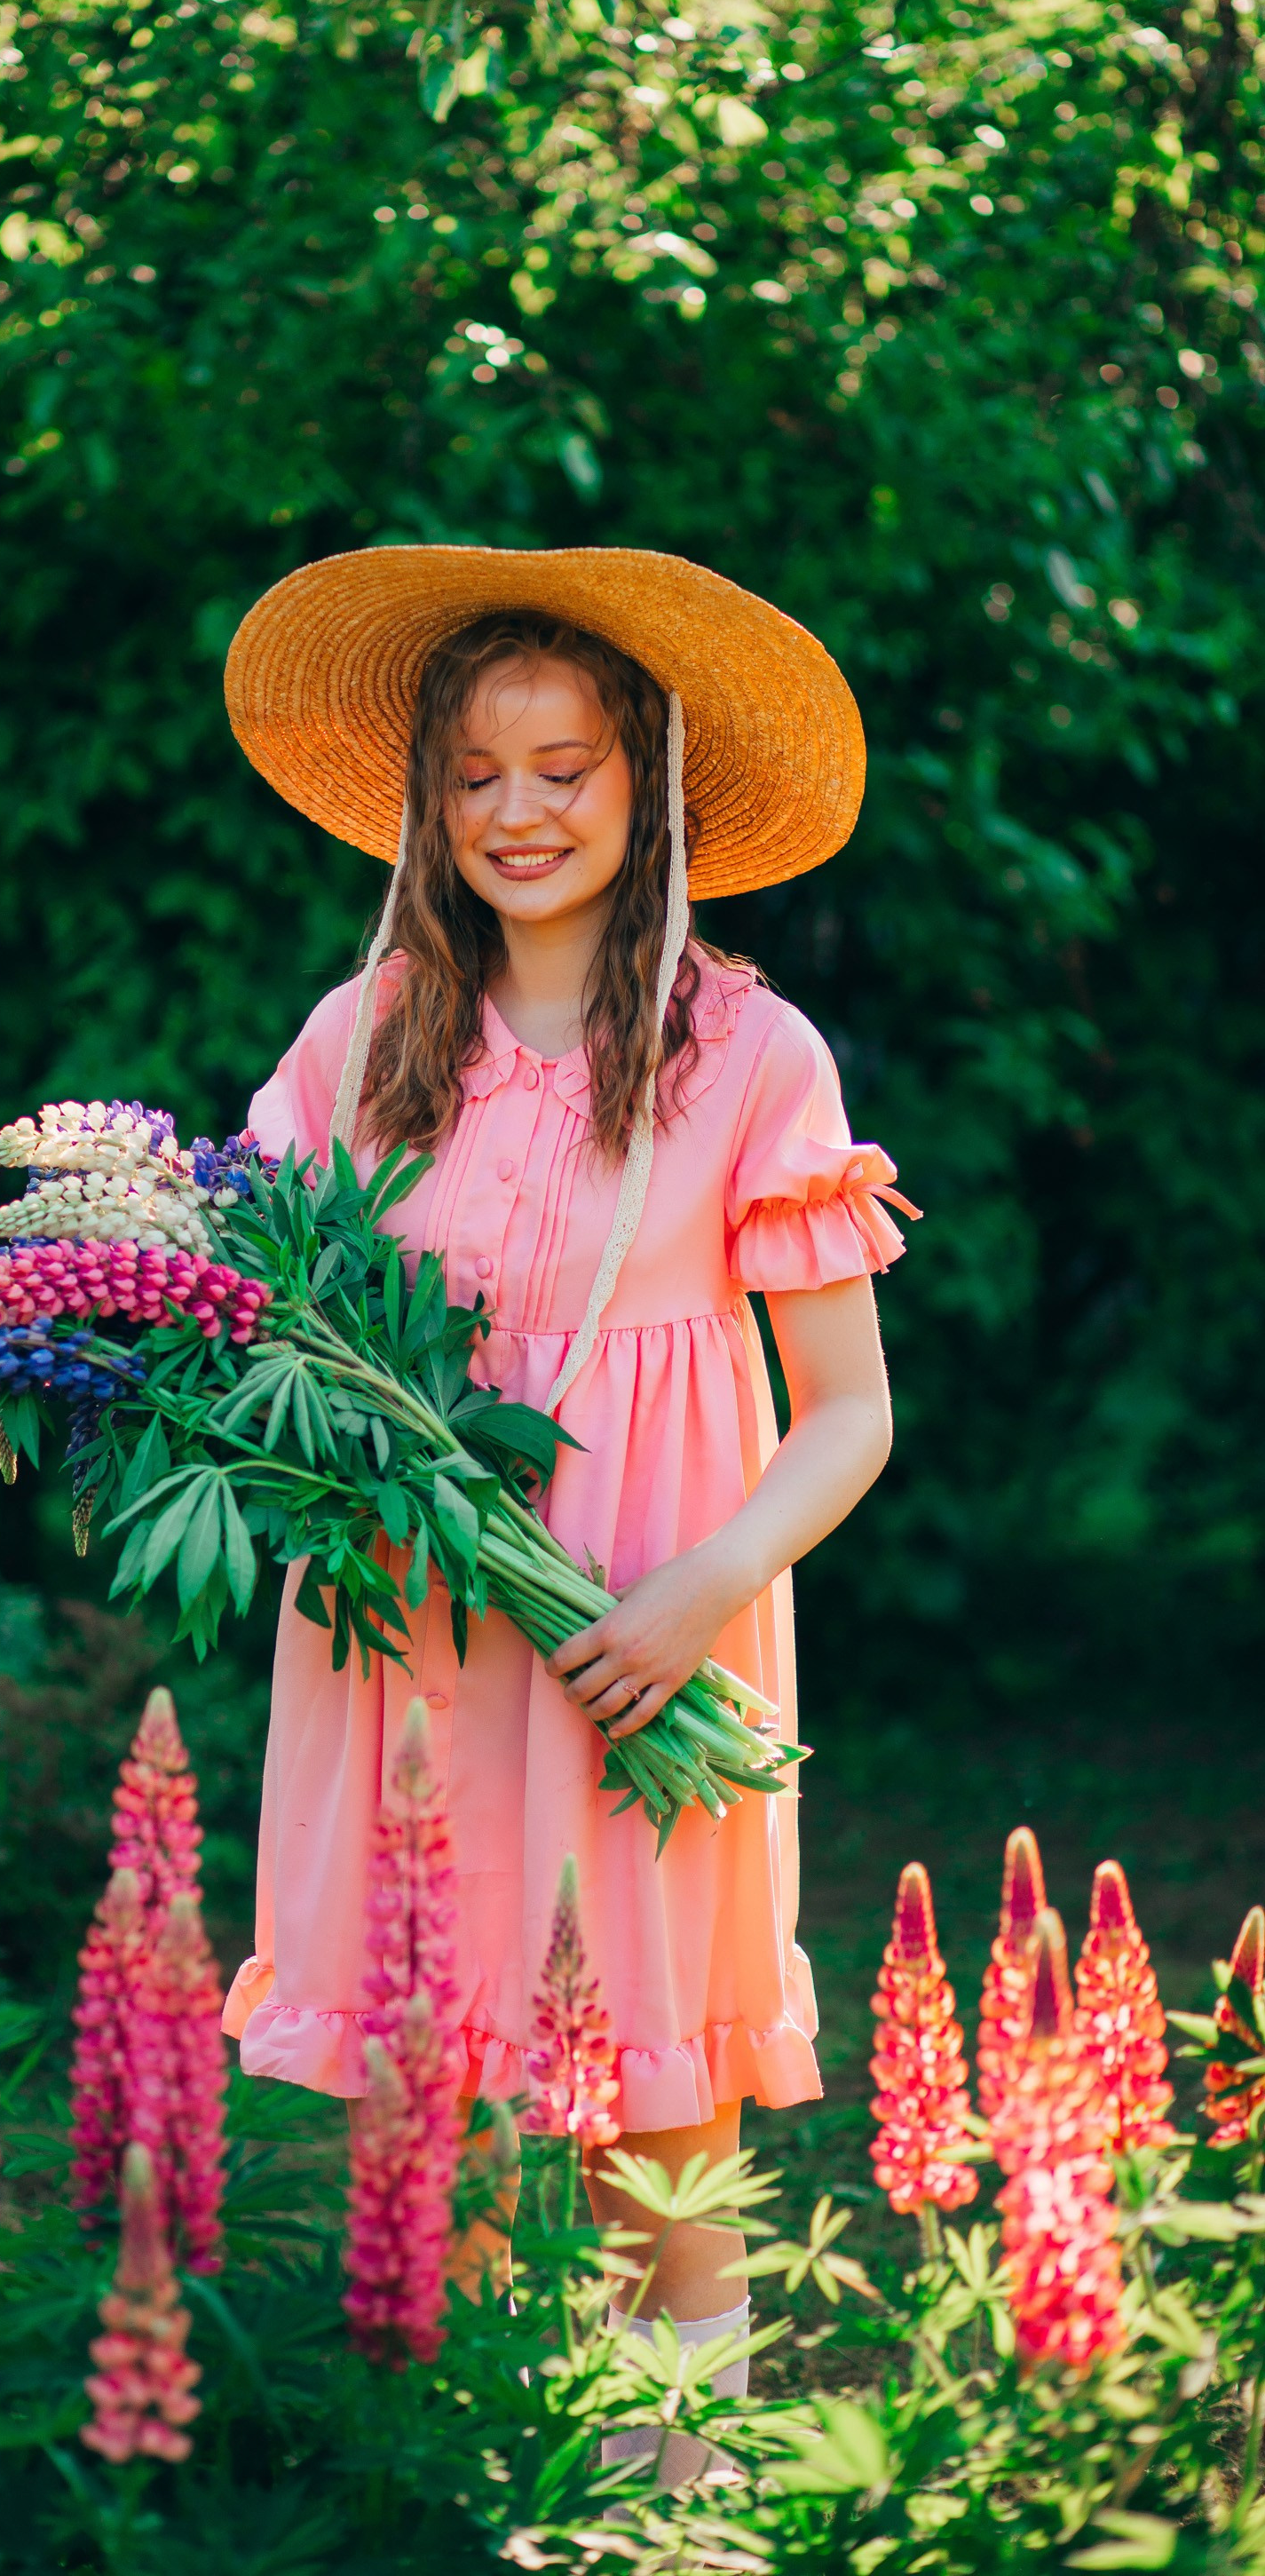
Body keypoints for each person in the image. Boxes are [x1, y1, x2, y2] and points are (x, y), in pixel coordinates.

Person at [218, 545, 912, 2454]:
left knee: (653, 2116)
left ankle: (670, 2509)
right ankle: (469, 2490)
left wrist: (705, 1588)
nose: (518, 812)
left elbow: (849, 1415)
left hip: (647, 1637)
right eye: (476, 775)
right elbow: (259, 1319)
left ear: (647, 786)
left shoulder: (748, 1053)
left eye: (566, 767)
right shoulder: (362, 1039)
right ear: (429, 804)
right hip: (410, 1635)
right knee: (432, 2110)